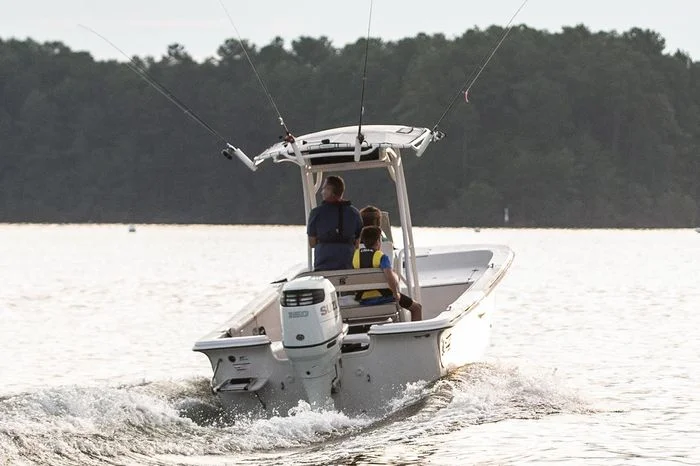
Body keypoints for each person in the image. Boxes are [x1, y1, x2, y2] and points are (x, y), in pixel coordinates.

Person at [352, 225, 422, 321]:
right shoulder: (381, 257)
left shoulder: (355, 256)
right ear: (378, 241)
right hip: (383, 297)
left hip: (363, 299)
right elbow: (389, 276)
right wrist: (395, 293)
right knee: (417, 307)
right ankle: (415, 330)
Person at [307, 175, 363, 271]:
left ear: (330, 190)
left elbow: (312, 243)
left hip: (323, 264)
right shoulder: (354, 213)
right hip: (347, 263)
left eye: (324, 188)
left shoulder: (316, 213)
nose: (322, 192)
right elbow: (357, 243)